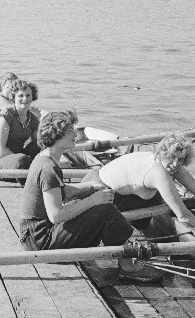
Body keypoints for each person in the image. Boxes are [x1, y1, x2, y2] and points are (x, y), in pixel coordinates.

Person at [19, 110, 163, 282]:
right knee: (106, 211)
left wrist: (88, 187)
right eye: (69, 132)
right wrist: (93, 201)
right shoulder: (48, 169)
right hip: (41, 241)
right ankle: (128, 267)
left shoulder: (43, 158)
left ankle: (119, 244)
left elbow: (60, 191)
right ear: (56, 137)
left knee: (96, 200)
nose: (75, 134)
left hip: (33, 234)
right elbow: (56, 215)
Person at [82, 132, 195, 235]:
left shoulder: (173, 166)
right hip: (96, 191)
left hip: (118, 192)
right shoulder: (157, 171)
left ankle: (138, 226)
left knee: (158, 196)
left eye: (180, 159)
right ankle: (128, 230)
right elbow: (183, 215)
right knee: (163, 197)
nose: (175, 164)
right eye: (171, 157)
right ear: (162, 153)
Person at [0, 73, 42, 155]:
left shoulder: (10, 100)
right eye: (9, 87)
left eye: (14, 86)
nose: (12, 89)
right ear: (1, 87)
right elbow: (20, 109)